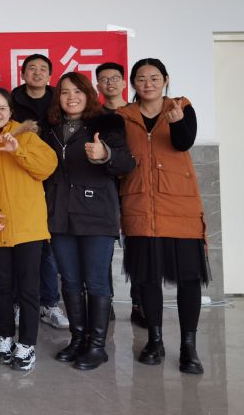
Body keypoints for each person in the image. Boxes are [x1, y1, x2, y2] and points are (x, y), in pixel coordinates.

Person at [117, 58, 209, 375]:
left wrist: (179, 122)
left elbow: (184, 142)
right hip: (140, 204)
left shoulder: (182, 107)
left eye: (154, 78)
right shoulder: (123, 116)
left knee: (189, 278)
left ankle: (188, 346)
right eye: (141, 79)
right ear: (133, 83)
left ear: (166, 80)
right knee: (147, 276)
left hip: (180, 206)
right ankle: (154, 341)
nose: (148, 84)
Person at [43, 73, 135, 370]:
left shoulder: (107, 123)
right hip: (59, 214)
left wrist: (105, 153)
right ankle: (78, 339)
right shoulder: (50, 128)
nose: (71, 97)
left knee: (95, 281)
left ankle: (97, 346)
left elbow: (126, 162)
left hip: (96, 214)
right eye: (64, 92)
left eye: (78, 91)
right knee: (69, 281)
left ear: (88, 94)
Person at [0, 88, 58, 371]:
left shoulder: (26, 136)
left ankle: (27, 344)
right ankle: (5, 337)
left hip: (28, 226)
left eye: (2, 108)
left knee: (29, 288)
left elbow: (48, 167)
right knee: (2, 287)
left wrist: (18, 151)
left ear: (10, 112)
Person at [11, 53, 68, 331]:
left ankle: (49, 303)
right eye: (31, 68)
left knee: (48, 247)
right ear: (22, 74)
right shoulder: (11, 101)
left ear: (50, 75)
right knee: (20, 246)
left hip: (54, 180)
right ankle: (19, 303)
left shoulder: (61, 100)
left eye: (42, 69)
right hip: (20, 178)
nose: (37, 73)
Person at [95, 62, 146, 328]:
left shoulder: (136, 113)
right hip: (105, 188)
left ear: (125, 82)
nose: (110, 83)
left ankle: (140, 303)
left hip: (135, 186)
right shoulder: (94, 116)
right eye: (104, 79)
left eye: (115, 78)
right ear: (98, 86)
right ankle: (106, 304)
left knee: (136, 245)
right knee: (102, 248)